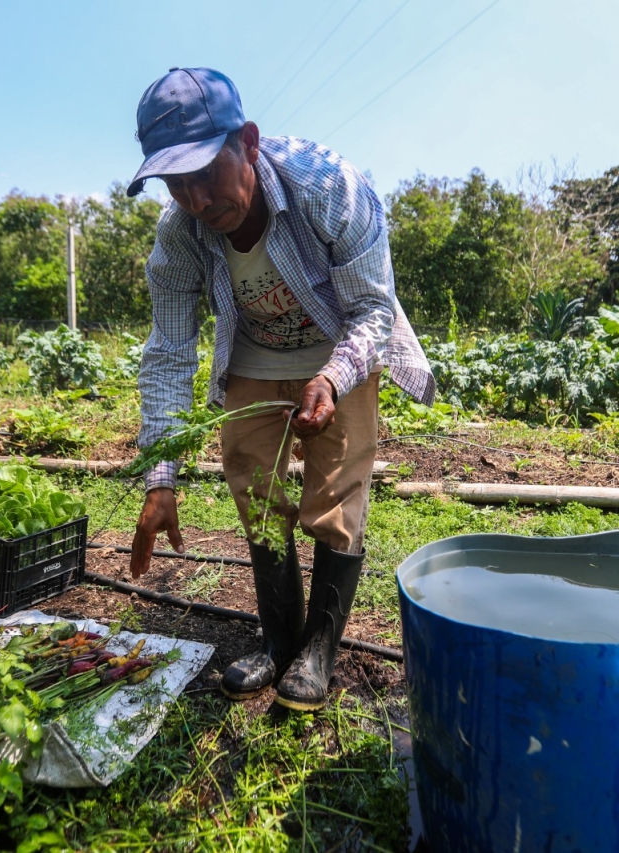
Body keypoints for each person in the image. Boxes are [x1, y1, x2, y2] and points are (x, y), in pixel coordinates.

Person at [127, 67, 435, 711]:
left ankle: (319, 649)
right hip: (254, 357)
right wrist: (161, 477)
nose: (197, 200)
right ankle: (278, 641)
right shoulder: (180, 235)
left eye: (206, 173)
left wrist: (333, 376)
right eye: (175, 184)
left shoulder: (329, 185)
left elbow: (375, 310)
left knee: (336, 492)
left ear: (247, 142)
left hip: (341, 345)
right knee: (252, 486)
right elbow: (168, 352)